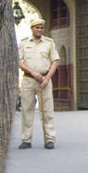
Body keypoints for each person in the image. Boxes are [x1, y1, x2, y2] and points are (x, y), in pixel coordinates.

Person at [18, 17, 59, 149]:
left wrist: (47, 78)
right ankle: (26, 139)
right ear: (32, 29)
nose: (39, 30)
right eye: (37, 27)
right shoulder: (24, 43)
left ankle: (49, 139)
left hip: (45, 80)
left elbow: (55, 61)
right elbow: (18, 61)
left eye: (41, 28)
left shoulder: (49, 43)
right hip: (29, 80)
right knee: (26, 109)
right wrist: (33, 72)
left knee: (47, 110)